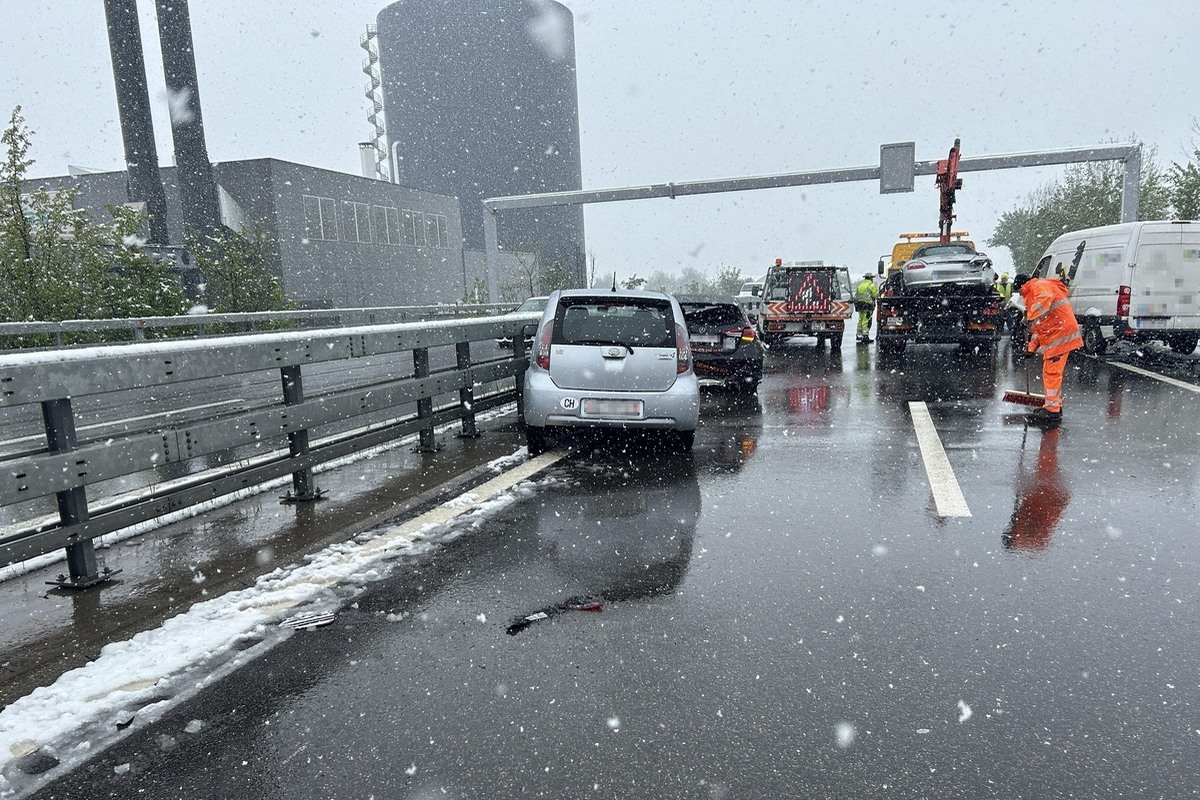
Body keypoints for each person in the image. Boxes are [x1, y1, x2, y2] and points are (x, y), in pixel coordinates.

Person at [1012, 274, 1083, 427]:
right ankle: (1054, 406)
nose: (1020, 295)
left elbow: (1044, 299)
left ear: (1022, 285)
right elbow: (1041, 328)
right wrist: (1031, 348)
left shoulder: (1039, 286)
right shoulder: (1036, 293)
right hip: (1056, 333)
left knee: (1051, 372)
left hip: (1061, 334)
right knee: (1051, 372)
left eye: (1019, 291)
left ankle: (1052, 410)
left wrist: (1028, 317)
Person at [854, 273, 879, 345]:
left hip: (860, 305)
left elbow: (856, 296)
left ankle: (859, 335)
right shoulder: (871, 286)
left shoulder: (860, 286)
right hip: (867, 305)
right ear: (871, 278)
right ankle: (865, 336)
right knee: (866, 320)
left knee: (860, 319)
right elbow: (875, 295)